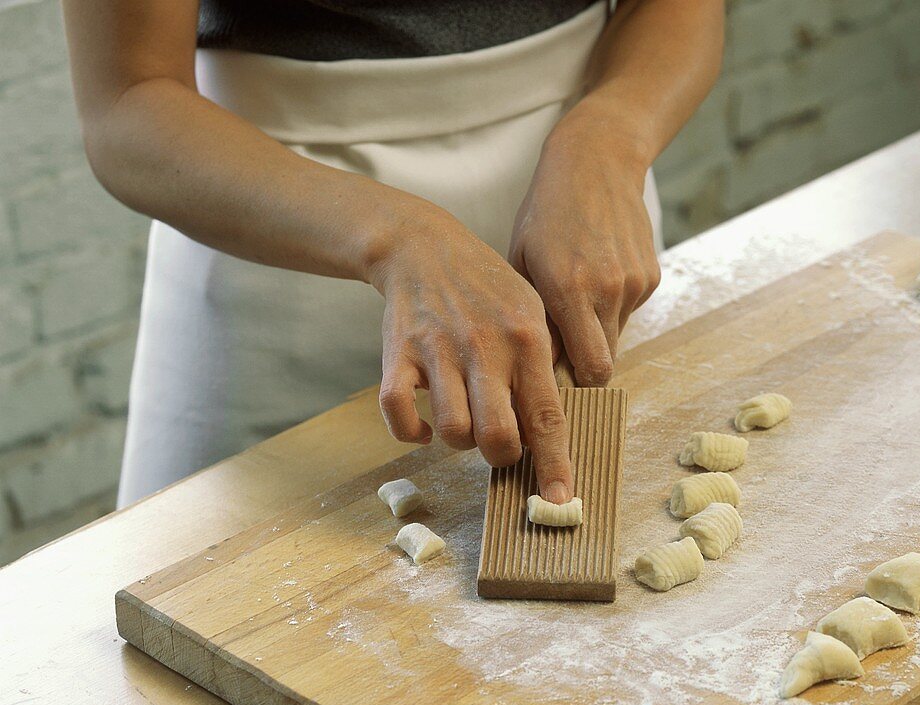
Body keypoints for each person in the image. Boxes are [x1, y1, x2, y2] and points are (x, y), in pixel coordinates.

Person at [63, 0, 724, 507]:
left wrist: (612, 139)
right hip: (276, 250)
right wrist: (399, 238)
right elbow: (127, 105)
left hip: (578, 231)